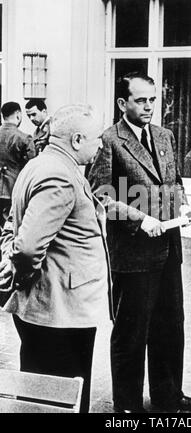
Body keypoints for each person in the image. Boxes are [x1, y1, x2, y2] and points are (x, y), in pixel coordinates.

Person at [88, 71, 191, 414]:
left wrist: (182, 205)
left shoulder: (164, 135)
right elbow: (101, 196)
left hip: (169, 250)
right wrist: (141, 219)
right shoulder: (109, 140)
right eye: (141, 100)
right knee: (131, 331)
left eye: (153, 99)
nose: (149, 106)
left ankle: (168, 394)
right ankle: (127, 404)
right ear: (123, 103)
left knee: (170, 325)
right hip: (133, 254)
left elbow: (174, 180)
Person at [0, 104, 108, 413]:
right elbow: (28, 247)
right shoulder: (59, 176)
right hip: (59, 311)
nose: (100, 144)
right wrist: (22, 278)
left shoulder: (41, 164)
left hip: (51, 309)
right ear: (76, 139)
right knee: (60, 397)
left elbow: (13, 225)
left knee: (40, 394)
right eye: (96, 137)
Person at [0, 102, 35, 230]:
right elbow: (32, 166)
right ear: (18, 115)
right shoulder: (24, 138)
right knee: (10, 228)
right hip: (14, 189)